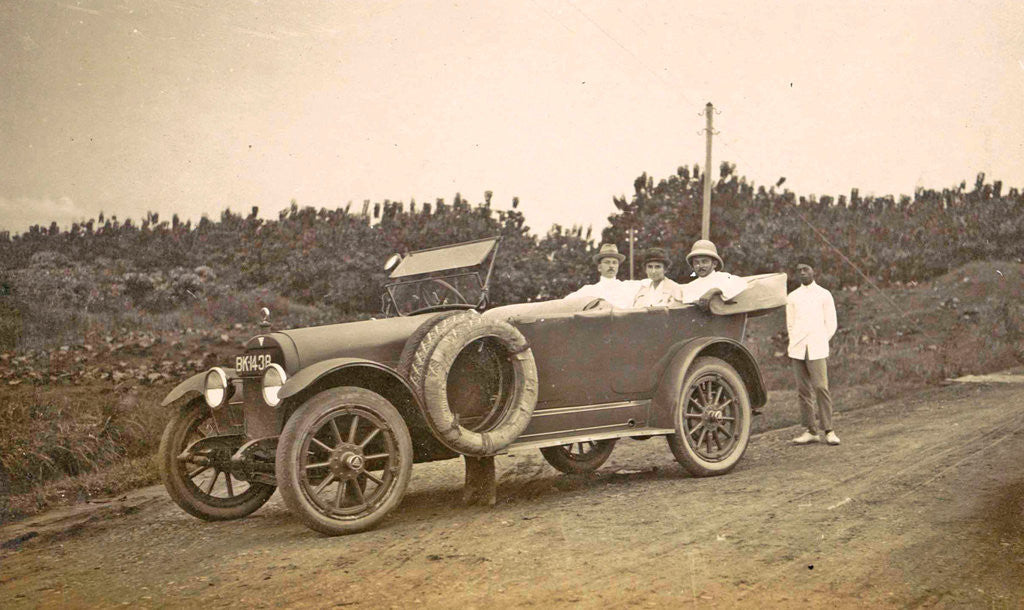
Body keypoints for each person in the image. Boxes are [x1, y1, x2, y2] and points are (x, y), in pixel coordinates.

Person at [787, 259, 840, 446]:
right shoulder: (792, 297)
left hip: (817, 347)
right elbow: (791, 324)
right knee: (803, 390)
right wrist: (796, 341)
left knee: (820, 387)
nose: (802, 273)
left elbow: (831, 323)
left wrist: (819, 340)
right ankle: (810, 430)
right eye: (799, 270)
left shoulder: (824, 295)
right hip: (797, 349)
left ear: (813, 271)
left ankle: (829, 430)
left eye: (806, 269)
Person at [565, 243, 640, 309]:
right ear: (599, 267)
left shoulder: (629, 286)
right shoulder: (588, 290)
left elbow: (650, 283)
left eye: (614, 263)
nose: (611, 266)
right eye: (607, 262)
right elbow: (565, 302)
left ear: (618, 267)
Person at [679, 240, 748, 311]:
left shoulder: (723, 278)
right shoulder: (690, 287)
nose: (700, 266)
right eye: (696, 263)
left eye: (704, 262)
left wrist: (715, 290)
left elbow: (742, 283)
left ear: (714, 264)